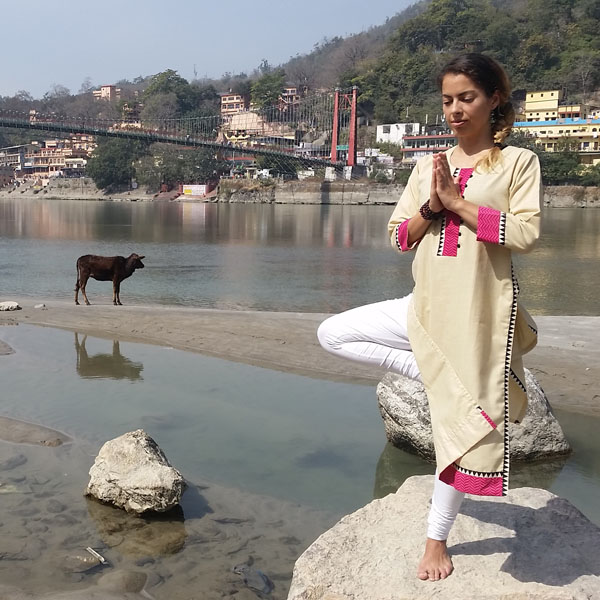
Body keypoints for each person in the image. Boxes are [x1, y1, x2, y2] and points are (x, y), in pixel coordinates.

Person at [317, 53, 541, 582]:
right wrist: (430, 207)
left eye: (467, 98)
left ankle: (435, 542)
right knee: (332, 333)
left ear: (494, 100)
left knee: (457, 429)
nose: (455, 110)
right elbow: (398, 238)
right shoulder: (426, 165)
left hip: (477, 314)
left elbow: (526, 234)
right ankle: (426, 369)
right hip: (424, 305)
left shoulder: (517, 163)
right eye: (447, 101)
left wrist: (458, 203)